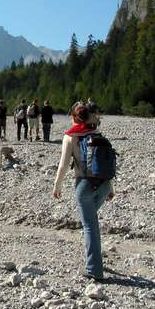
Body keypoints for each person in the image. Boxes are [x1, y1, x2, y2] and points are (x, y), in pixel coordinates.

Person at [52, 102, 114, 281]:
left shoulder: (70, 137)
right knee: (91, 223)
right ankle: (95, 259)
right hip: (103, 185)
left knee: (89, 226)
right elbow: (104, 161)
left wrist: (57, 185)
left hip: (84, 185)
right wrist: (110, 187)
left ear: (73, 118)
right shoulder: (96, 133)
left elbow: (63, 165)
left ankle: (94, 269)